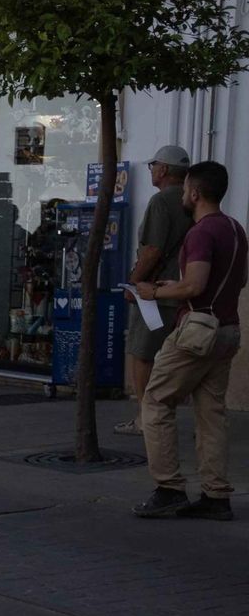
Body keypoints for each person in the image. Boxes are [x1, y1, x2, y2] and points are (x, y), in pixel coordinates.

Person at [133, 160, 247, 521]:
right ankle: (216, 496)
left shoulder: (200, 232)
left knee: (155, 401)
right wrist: (177, 286)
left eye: (184, 189)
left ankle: (169, 489)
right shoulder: (235, 229)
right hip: (227, 328)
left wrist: (154, 292)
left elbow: (196, 285)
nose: (182, 194)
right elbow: (235, 280)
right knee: (211, 414)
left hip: (198, 328)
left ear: (195, 193)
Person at [117, 146, 193, 435]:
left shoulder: (161, 201)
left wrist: (134, 283)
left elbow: (152, 250)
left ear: (163, 170)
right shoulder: (192, 200)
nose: (151, 170)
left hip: (155, 292)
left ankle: (145, 419)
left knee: (142, 355)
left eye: (153, 166)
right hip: (183, 290)